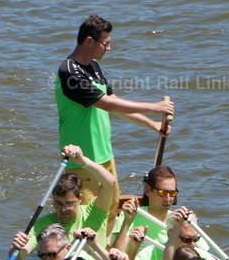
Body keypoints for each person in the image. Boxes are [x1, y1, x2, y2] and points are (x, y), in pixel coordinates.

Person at [55, 14, 175, 216]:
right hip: (82, 162)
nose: (109, 48)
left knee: (110, 212)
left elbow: (115, 102)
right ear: (89, 41)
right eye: (105, 43)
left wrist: (151, 125)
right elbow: (107, 104)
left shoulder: (93, 66)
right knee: (87, 219)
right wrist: (156, 107)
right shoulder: (69, 72)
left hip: (105, 158)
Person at [10, 144, 115, 260]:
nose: (63, 209)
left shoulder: (95, 211)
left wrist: (81, 160)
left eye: (69, 203)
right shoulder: (43, 225)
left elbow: (109, 183)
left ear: (80, 199)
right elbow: (18, 258)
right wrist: (16, 248)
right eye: (58, 203)